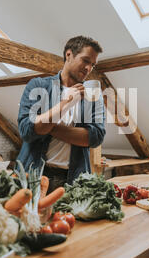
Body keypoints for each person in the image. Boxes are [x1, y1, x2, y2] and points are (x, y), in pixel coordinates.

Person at [16, 36, 105, 193]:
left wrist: (46, 126)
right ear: (69, 55)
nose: (88, 68)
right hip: (33, 176)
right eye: (85, 60)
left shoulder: (93, 97)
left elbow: (95, 137)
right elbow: (26, 131)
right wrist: (66, 104)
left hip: (74, 181)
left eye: (92, 65)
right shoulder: (38, 85)